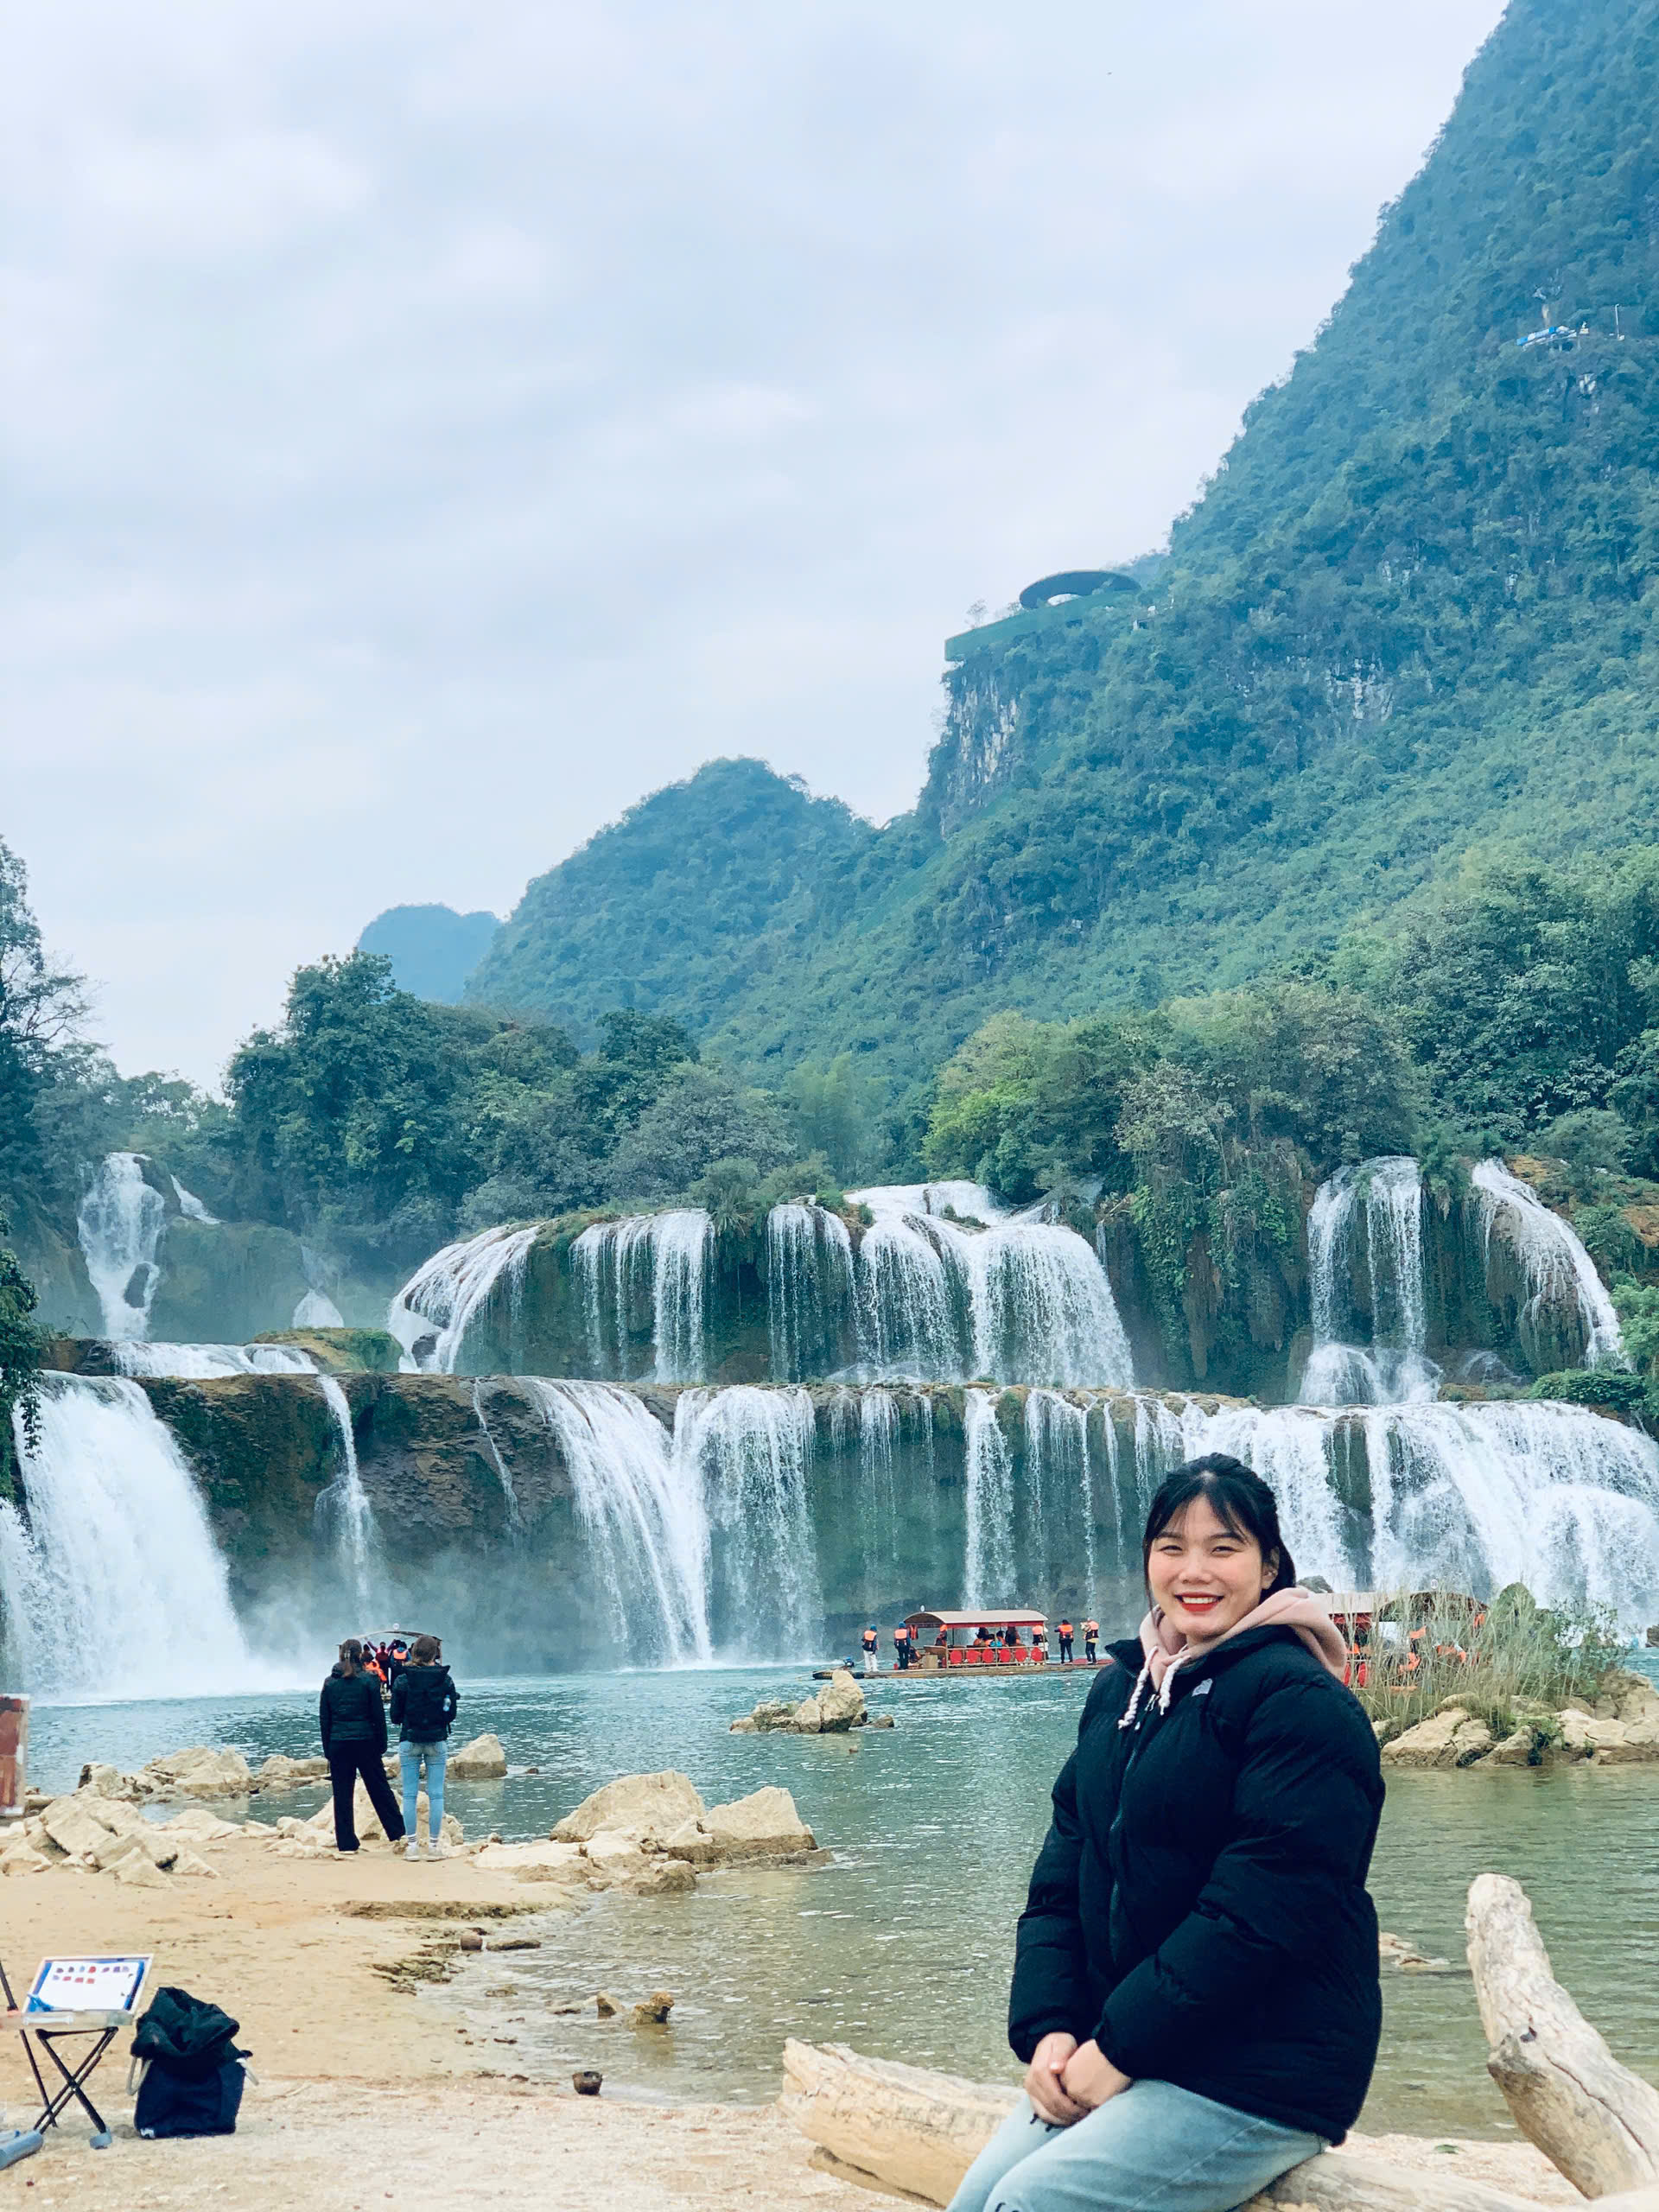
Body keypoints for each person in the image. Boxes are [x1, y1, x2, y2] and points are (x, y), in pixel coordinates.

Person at [948, 1453, 1383, 2212]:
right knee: (979, 2198)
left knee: (1031, 2204)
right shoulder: (1123, 1690)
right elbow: (1060, 1878)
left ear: (1270, 1563)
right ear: (1148, 1557)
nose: (1195, 1571)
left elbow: (1259, 1916)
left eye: (1225, 1547)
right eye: (1172, 1547)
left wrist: (1118, 2049)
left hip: (1261, 2066)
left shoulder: (1302, 1704)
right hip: (1132, 2045)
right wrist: (1051, 2029)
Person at [320, 1638, 405, 1855]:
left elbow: (325, 1720)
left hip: (339, 1743)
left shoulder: (329, 1683)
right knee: (380, 1790)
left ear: (340, 1655)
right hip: (366, 1742)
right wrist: (382, 1745)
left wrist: (328, 1750)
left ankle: (347, 1843)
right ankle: (398, 1833)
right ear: (361, 1656)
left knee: (342, 1794)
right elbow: (378, 1717)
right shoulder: (369, 1680)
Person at [390, 1631, 460, 1859]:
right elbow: (451, 1715)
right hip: (437, 1740)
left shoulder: (402, 1680)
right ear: (435, 1654)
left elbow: (395, 1716)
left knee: (409, 1795)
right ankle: (433, 1847)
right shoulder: (445, 1679)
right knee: (436, 1795)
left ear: (413, 1652)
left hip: (409, 1739)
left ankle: (411, 1847)